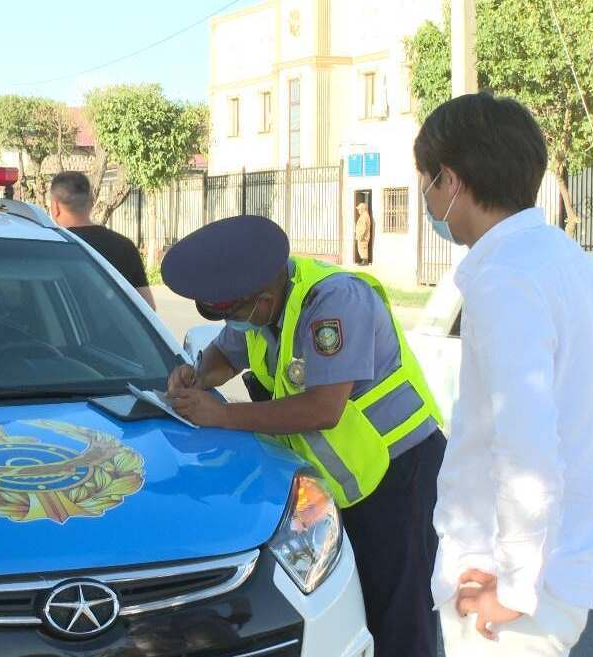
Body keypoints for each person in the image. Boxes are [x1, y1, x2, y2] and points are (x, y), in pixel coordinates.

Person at [160, 214, 445, 657]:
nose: (235, 324)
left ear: (263, 298)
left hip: (397, 473)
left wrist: (222, 415)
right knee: (355, 610)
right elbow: (225, 354)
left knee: (402, 617)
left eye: (237, 314)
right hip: (342, 483)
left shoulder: (334, 302)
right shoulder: (258, 311)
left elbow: (322, 409)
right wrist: (197, 375)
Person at [416, 93, 593, 656]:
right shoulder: (559, 254)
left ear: (451, 181)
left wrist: (513, 587)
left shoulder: (505, 279)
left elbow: (525, 448)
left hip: (508, 588)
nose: (428, 200)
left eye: (427, 182)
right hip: (559, 566)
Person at [49, 171, 156, 309]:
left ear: (55, 206)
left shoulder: (50, 247)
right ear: (92, 202)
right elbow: (147, 307)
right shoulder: (125, 246)